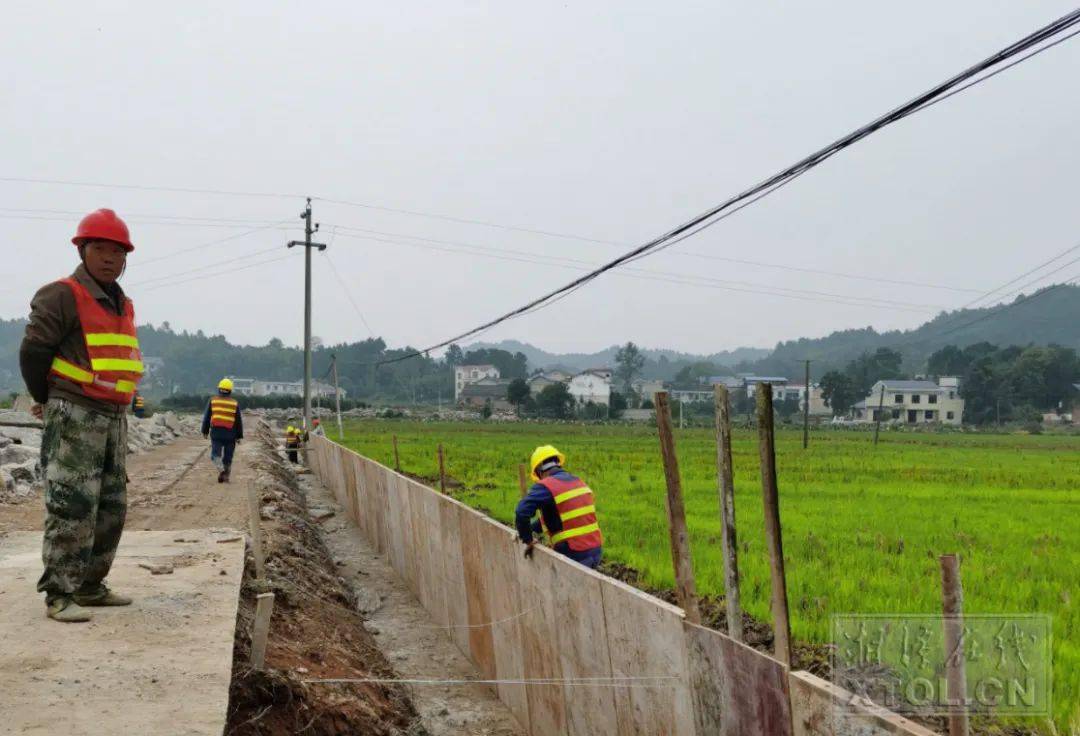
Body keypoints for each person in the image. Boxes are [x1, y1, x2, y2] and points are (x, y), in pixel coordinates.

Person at [19, 208, 144, 623]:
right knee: (72, 503)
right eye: (100, 249)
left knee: (111, 504)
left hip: (112, 416)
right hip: (75, 412)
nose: (109, 258)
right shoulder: (61, 294)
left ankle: (90, 585)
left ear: (125, 258)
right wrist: (47, 397)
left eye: (117, 252)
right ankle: (59, 592)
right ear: (83, 249)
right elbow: (34, 352)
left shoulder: (121, 302)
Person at [515, 445, 603, 569]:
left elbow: (521, 512)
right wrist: (531, 529)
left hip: (573, 552)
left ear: (539, 471)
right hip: (596, 552)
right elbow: (559, 518)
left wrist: (527, 540)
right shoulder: (578, 482)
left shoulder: (546, 485)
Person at [201, 378, 243, 483]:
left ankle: (221, 470)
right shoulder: (234, 403)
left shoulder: (213, 400)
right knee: (228, 456)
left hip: (216, 433)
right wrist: (239, 436)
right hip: (231, 434)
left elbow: (207, 417)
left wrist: (205, 431)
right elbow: (238, 421)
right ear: (230, 390)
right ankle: (226, 474)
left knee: (216, 455)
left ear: (219, 389)